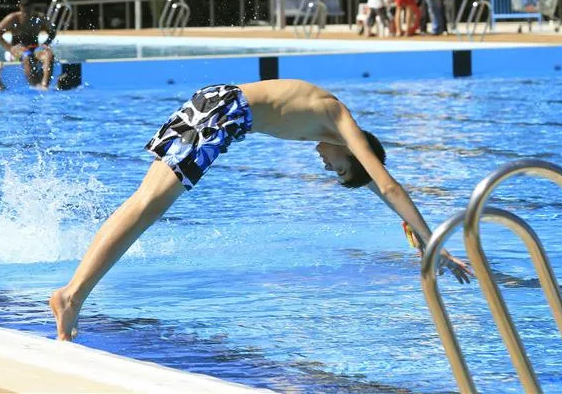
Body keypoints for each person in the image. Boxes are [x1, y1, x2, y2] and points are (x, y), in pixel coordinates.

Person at [49, 79, 474, 341]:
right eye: (340, 170)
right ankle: (72, 295)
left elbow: (385, 194)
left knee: (145, 206)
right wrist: (437, 242)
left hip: (217, 103)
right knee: (145, 208)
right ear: (354, 154)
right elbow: (388, 184)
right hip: (225, 113)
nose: (328, 166)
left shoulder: (333, 123)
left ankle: (74, 295)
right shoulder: (341, 120)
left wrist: (419, 239)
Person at [0, 0, 58, 90]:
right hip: (18, 49)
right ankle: (35, 86)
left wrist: (46, 43)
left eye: (28, 12)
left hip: (35, 48)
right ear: (20, 8)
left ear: (33, 8)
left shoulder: (39, 18)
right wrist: (10, 48)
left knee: (48, 54)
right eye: (24, 12)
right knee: (27, 56)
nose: (26, 14)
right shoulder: (13, 18)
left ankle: (44, 86)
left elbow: (52, 32)